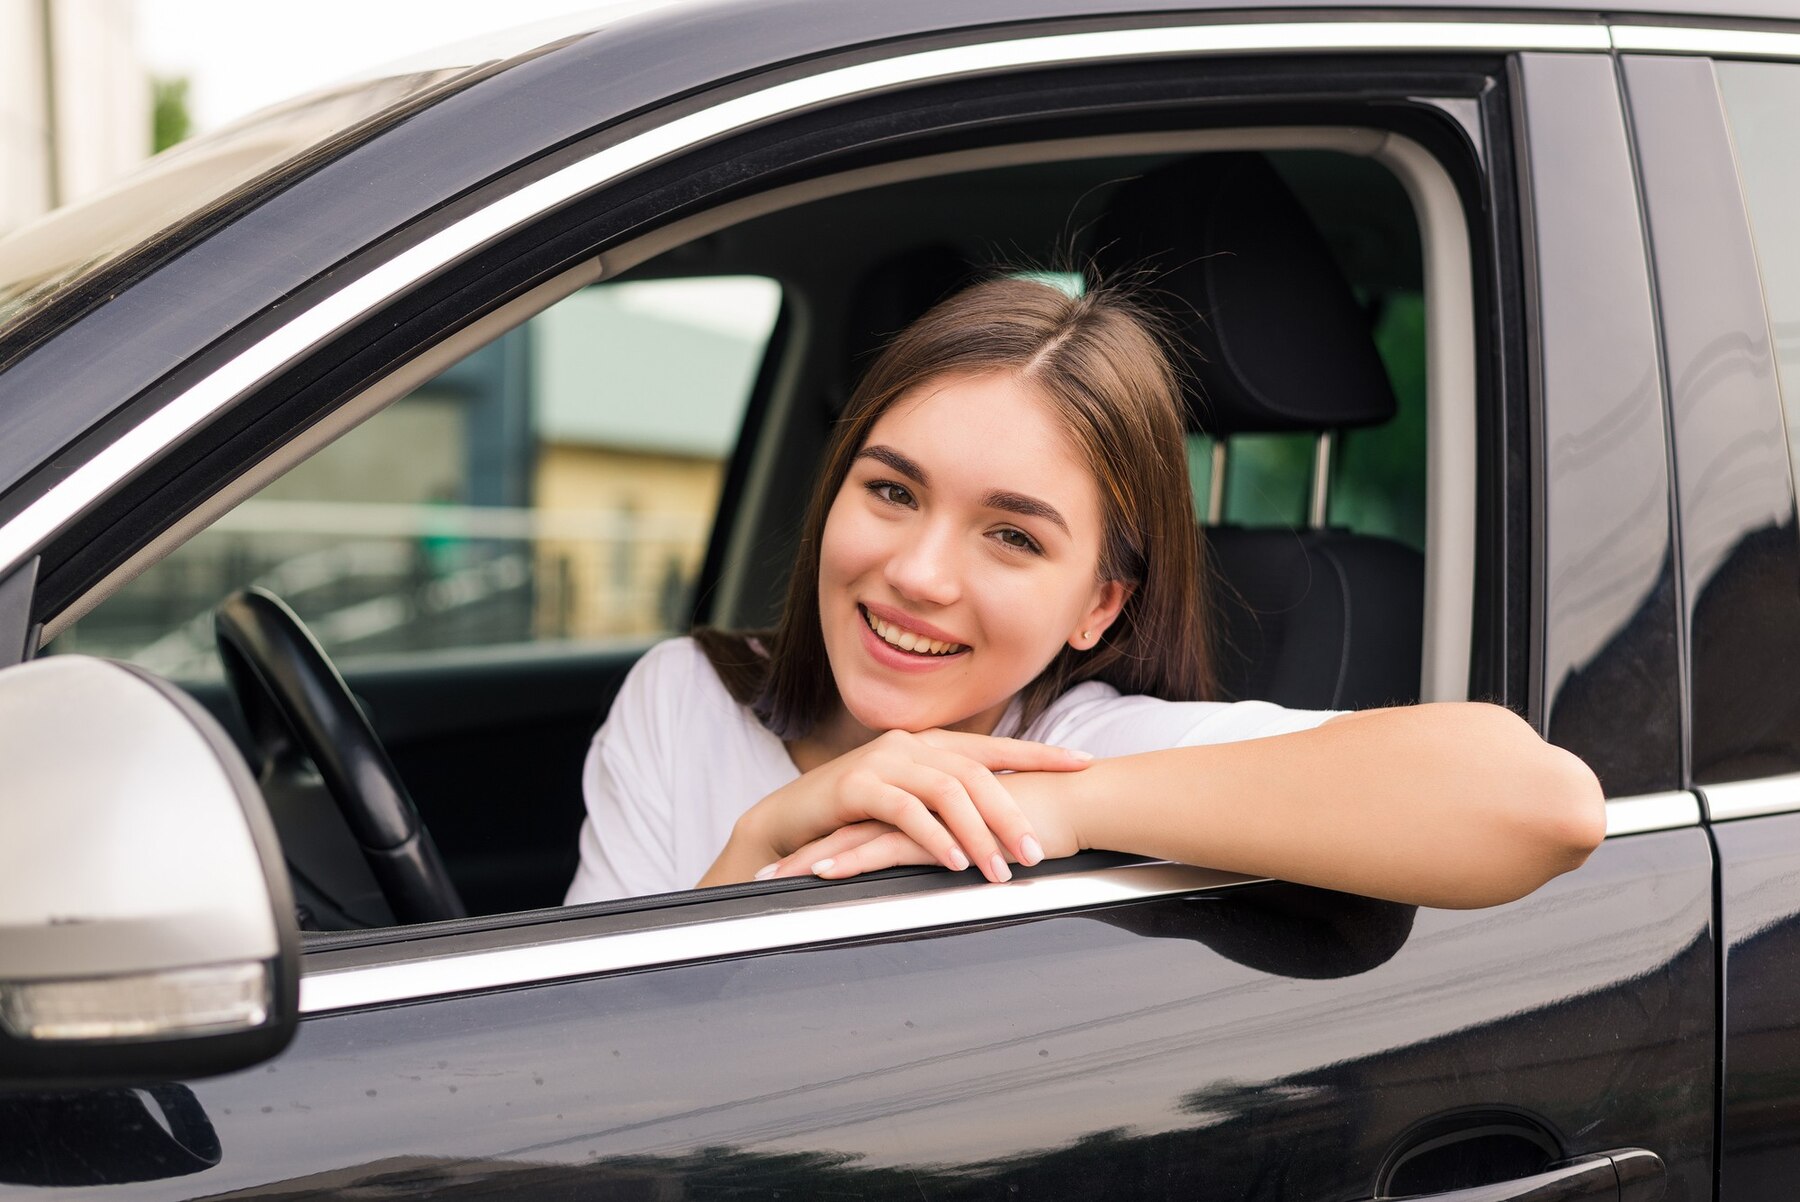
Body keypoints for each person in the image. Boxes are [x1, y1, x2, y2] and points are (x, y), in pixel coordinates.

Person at [564, 278, 1604, 909]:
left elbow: (1543, 806)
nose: (921, 573)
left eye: (1013, 534)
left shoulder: (1086, 750)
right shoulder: (685, 697)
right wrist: (762, 840)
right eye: (890, 489)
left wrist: (1053, 806)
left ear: (1099, 605)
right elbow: (579, 1089)